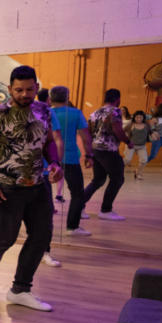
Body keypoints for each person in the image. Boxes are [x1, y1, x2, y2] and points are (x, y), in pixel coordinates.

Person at [0, 65, 62, 311]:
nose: (24, 94)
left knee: (41, 236)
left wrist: (55, 162)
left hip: (39, 184)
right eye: (19, 90)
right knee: (7, 236)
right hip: (7, 186)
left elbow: (48, 142)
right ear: (10, 89)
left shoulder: (44, 110)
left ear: (36, 88)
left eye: (29, 89)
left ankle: (20, 289)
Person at [48, 85, 93, 237]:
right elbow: (86, 137)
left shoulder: (46, 112)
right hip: (70, 158)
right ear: (67, 97)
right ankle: (72, 227)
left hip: (47, 158)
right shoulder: (75, 113)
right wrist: (89, 155)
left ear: (51, 98)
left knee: (38, 192)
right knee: (77, 193)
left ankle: (33, 227)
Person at [83, 88, 129, 221]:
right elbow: (117, 129)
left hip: (96, 149)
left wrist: (89, 153)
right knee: (117, 178)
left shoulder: (94, 112)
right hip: (108, 149)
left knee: (98, 180)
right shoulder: (115, 111)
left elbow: (88, 132)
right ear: (118, 99)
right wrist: (128, 141)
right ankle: (106, 210)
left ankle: (78, 206)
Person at [124, 111, 152, 179]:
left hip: (142, 146)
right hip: (131, 145)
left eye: (140, 117)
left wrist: (154, 135)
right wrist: (126, 137)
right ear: (134, 117)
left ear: (143, 118)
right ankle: (116, 170)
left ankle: (138, 173)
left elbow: (151, 132)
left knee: (144, 160)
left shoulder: (146, 125)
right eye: (137, 117)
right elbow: (123, 130)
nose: (139, 119)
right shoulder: (131, 124)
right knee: (127, 160)